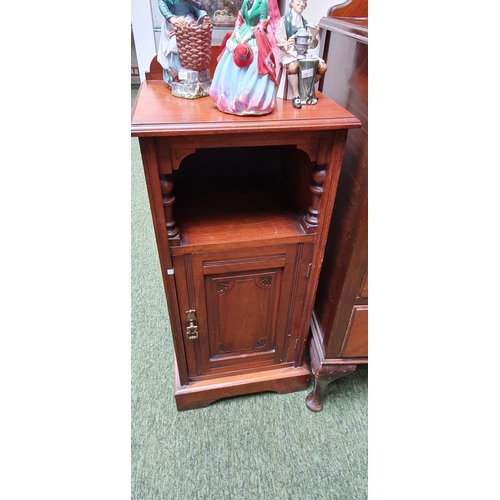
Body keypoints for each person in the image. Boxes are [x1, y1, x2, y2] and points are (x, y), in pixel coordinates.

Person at [209, 0, 278, 115]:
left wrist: (250, 34)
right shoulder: (246, 1)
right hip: (241, 32)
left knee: (254, 62)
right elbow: (240, 18)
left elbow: (263, 22)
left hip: (255, 35)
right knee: (232, 58)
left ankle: (248, 99)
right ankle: (229, 96)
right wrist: (237, 30)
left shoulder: (263, 3)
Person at [275, 0, 327, 108]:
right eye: (299, 0)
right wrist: (286, 43)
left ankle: (307, 89)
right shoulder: (284, 20)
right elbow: (279, 40)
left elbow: (311, 45)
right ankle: (296, 96)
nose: (301, 4)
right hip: (288, 53)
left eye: (304, 1)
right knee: (293, 66)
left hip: (302, 53)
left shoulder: (305, 23)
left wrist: (313, 35)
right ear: (292, 3)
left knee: (322, 66)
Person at [157, 0, 209, 87]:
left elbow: (198, 6)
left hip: (186, 21)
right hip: (170, 22)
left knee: (178, 45)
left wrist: (204, 17)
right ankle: (174, 76)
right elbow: (162, 3)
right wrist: (171, 19)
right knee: (169, 50)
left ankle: (185, 77)